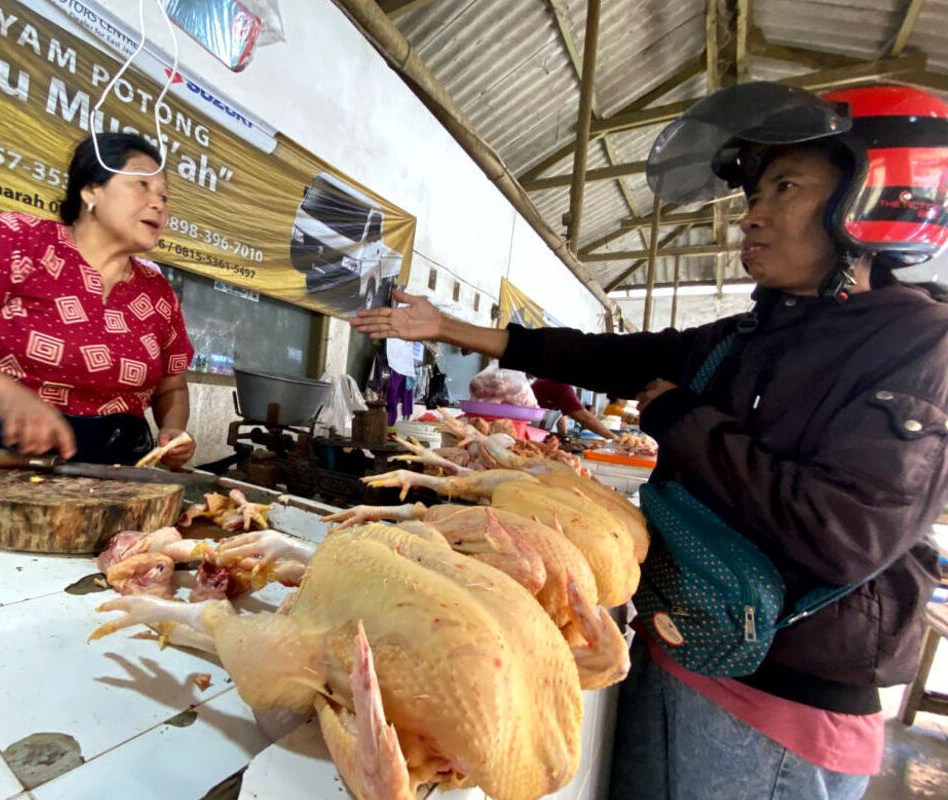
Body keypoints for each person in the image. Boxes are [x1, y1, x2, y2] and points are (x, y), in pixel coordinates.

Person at [353, 83, 948, 799]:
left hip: (779, 708)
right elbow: (611, 357)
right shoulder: (755, 332)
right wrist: (448, 327)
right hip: (679, 643)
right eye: (754, 194)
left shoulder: (920, 343)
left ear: (872, 197)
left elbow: (843, 530)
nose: (751, 216)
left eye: (785, 188)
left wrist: (680, 417)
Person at [0, 133, 195, 477]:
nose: (158, 204)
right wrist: (5, 395)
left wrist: (173, 430)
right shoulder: (18, 240)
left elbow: (172, 386)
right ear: (91, 190)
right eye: (142, 185)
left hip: (114, 476)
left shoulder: (158, 292)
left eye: (164, 196)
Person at [531, 377, 617, 440]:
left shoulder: (558, 381)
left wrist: (564, 436)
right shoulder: (559, 383)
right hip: (531, 433)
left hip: (537, 433)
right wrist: (614, 438)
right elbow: (585, 418)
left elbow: (560, 412)